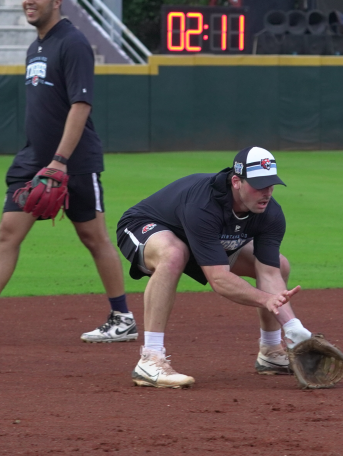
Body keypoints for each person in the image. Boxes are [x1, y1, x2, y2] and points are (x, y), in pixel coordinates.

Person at [0, 0, 136, 345]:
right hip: (34, 161)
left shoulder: (72, 43)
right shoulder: (36, 47)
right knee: (7, 234)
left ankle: (122, 316)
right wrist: (43, 159)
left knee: (94, 238)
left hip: (72, 161)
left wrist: (60, 160)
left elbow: (81, 105)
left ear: (57, 1)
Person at [116, 147, 316, 388]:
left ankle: (271, 352)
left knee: (280, 264)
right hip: (144, 226)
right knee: (173, 254)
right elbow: (219, 279)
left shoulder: (270, 213)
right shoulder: (204, 204)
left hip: (203, 239)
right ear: (235, 181)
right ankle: (150, 358)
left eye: (271, 185)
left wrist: (293, 327)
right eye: (259, 185)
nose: (267, 193)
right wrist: (264, 299)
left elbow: (269, 273)